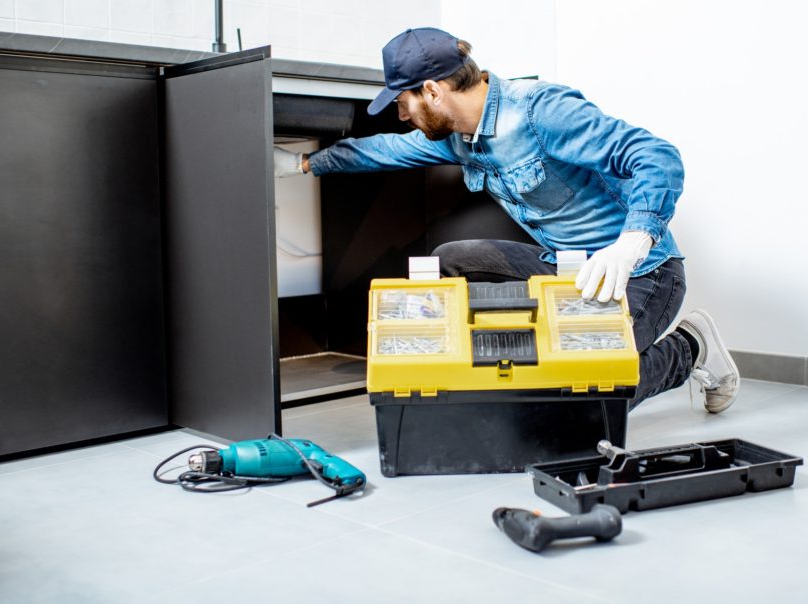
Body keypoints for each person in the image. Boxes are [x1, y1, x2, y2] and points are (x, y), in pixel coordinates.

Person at [274, 27, 740, 413]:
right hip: (564, 268)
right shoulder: (457, 136)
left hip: (641, 273)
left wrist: (631, 242)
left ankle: (690, 347)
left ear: (433, 91)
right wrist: (299, 165)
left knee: (582, 403)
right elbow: (381, 150)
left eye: (403, 101)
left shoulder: (540, 110)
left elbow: (656, 156)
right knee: (452, 259)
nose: (400, 114)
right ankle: (494, 367)